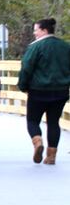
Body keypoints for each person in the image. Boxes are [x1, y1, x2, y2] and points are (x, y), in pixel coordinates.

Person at [17, 18, 70, 165]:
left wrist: (23, 86)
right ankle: (51, 156)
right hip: (60, 91)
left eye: (36, 30)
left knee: (32, 120)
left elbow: (26, 68)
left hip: (38, 91)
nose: (34, 33)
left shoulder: (36, 47)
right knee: (53, 122)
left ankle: (38, 141)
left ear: (44, 30)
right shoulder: (65, 47)